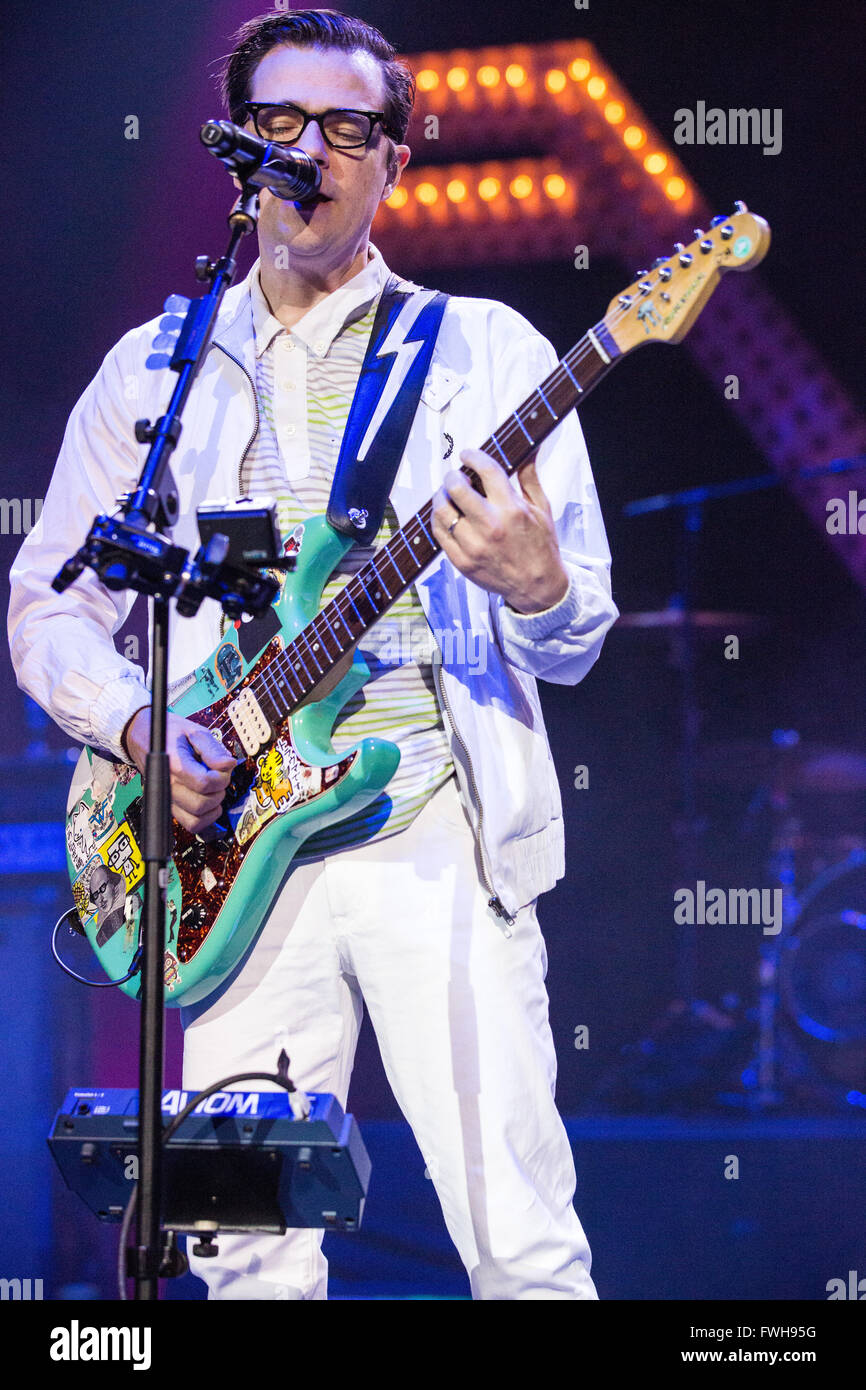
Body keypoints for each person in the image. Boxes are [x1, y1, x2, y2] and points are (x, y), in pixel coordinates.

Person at [8, 9, 618, 1299]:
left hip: (431, 830)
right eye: (279, 126)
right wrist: (137, 728)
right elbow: (45, 605)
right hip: (234, 871)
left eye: (348, 130)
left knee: (519, 1245)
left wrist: (541, 580)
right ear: (241, 154)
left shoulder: (486, 351)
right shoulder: (155, 373)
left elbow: (580, 632)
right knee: (245, 1260)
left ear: (394, 160)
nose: (312, 154)